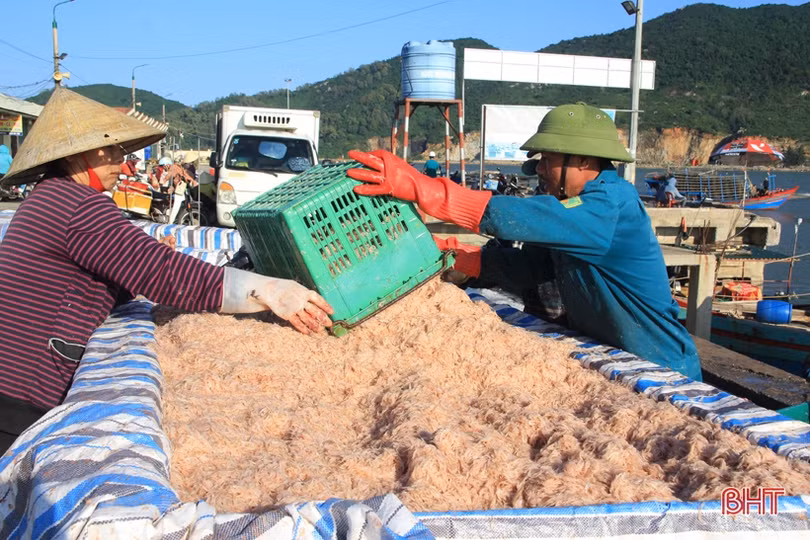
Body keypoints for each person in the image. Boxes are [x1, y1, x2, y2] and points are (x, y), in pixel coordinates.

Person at [0, 88, 333, 454]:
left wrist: (143, 261)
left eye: (118, 150)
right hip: (21, 390)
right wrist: (265, 290)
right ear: (75, 155)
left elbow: (98, 278)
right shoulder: (78, 205)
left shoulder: (50, 197)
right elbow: (163, 274)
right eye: (106, 150)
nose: (118, 159)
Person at [346, 103, 701, 382]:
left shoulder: (611, 205)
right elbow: (533, 271)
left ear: (582, 160)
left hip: (661, 367)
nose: (540, 169)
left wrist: (424, 190)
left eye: (548, 159)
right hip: (613, 357)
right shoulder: (569, 211)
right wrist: (456, 256)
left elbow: (520, 217)